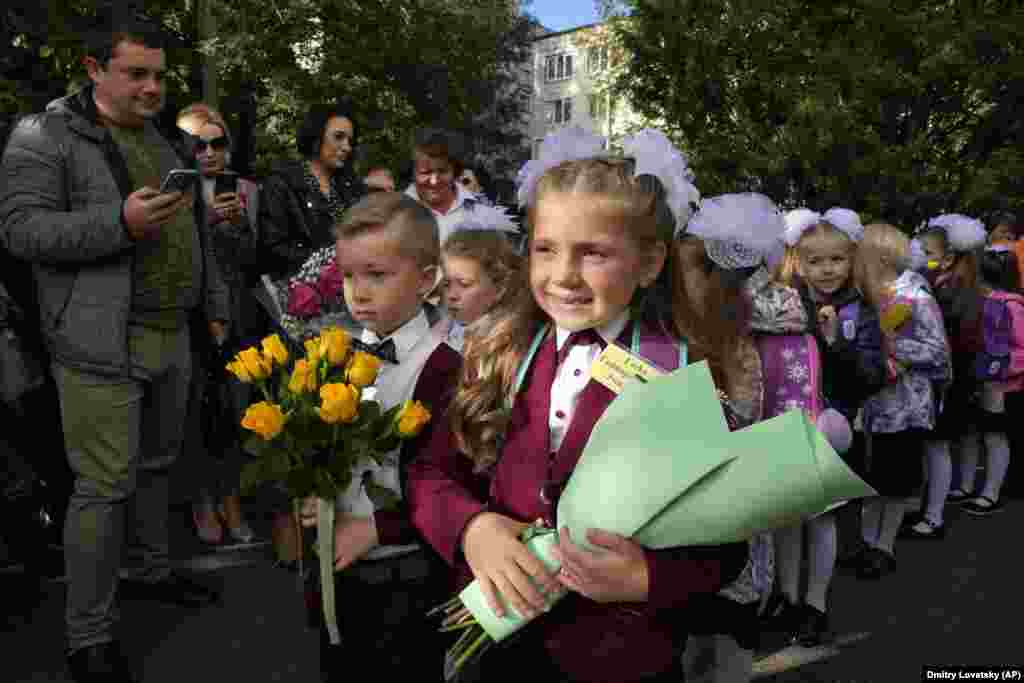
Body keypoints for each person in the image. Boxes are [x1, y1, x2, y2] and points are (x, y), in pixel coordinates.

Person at [406, 129, 749, 683]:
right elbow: (429, 473)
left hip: (620, 654)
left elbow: (727, 539)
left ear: (649, 262)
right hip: (502, 638)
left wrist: (648, 578)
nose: (563, 275)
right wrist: (473, 530)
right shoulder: (494, 352)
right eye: (545, 248)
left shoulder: (682, 376)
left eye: (592, 253)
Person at [0, 15, 228, 682]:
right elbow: (20, 230)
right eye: (137, 73)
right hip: (97, 340)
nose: (153, 86)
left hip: (171, 331)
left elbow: (191, 231)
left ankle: (150, 573)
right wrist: (118, 224)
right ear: (95, 70)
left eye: (159, 75)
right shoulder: (41, 136)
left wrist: (212, 304)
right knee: (102, 485)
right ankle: (87, 636)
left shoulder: (161, 138)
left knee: (157, 465)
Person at [299, 191, 462, 681]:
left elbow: (454, 480)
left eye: (377, 275)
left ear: (427, 280)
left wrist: (378, 528)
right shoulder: (341, 353)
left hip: (405, 574)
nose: (358, 292)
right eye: (349, 276)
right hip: (342, 564)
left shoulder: (444, 369)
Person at [765, 208, 884, 646]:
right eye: (815, 261)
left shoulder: (863, 311)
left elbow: (872, 376)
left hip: (833, 426)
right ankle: (788, 596)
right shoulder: (784, 302)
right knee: (787, 515)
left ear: (852, 260)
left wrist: (836, 343)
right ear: (798, 261)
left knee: (820, 518)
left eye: (836, 259)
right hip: (787, 423)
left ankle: (815, 603)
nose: (826, 269)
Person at [175, 103, 257, 545]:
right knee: (195, 414)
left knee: (237, 412)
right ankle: (201, 500)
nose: (207, 152)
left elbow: (256, 260)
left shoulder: (247, 190)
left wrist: (240, 226)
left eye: (217, 142)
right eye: (196, 143)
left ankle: (232, 500)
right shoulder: (174, 191)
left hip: (239, 314)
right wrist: (203, 223)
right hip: (188, 316)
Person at [851, 223, 950, 578]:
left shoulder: (916, 296)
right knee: (869, 479)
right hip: (872, 406)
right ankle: (866, 541)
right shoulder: (863, 297)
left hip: (904, 408)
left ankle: (884, 545)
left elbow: (938, 351)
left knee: (894, 481)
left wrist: (894, 348)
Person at [914, 216, 1022, 519]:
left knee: (993, 434)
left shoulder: (984, 298)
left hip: (992, 378)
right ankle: (964, 485)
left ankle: (990, 491)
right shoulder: (953, 286)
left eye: (928, 253)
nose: (922, 259)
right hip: (973, 374)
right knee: (970, 433)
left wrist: (1003, 370)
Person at [259, 102, 367, 282]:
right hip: (298, 292)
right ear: (317, 136)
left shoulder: (351, 187)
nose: (346, 147)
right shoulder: (281, 183)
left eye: (350, 141)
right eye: (338, 137)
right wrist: (327, 262)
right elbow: (273, 249)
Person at [438, 211, 523, 351]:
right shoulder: (442, 330)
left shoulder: (508, 344)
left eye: (465, 284)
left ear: (500, 287)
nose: (452, 295)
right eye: (446, 284)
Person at [405, 128, 488, 243]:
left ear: (455, 172)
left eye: (442, 172)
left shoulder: (470, 201)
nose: (434, 181)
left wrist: (477, 196)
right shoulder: (402, 210)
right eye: (426, 172)